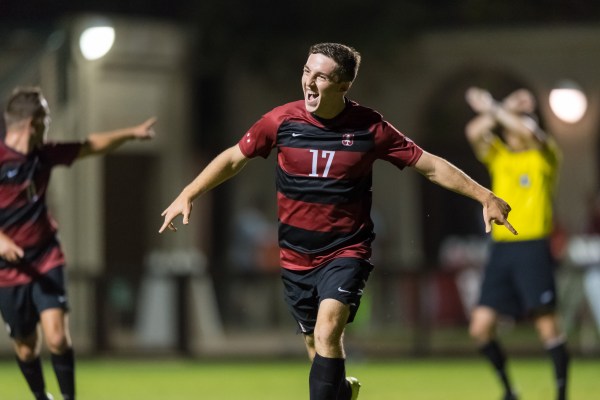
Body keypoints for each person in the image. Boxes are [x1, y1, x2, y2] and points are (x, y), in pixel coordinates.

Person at [159, 43, 516, 400]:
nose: (309, 82)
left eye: (321, 76)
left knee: (329, 329)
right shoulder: (281, 121)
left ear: (344, 86)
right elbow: (235, 158)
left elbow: (431, 165)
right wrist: (189, 192)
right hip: (295, 255)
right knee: (318, 349)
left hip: (346, 250)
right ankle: (342, 391)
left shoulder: (369, 127)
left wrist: (485, 195)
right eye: (306, 72)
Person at [0, 86, 156, 400]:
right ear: (34, 122)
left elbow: (89, 145)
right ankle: (41, 395)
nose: (49, 123)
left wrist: (130, 133)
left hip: (46, 254)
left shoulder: (43, 155)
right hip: (8, 268)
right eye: (46, 116)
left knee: (57, 337)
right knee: (26, 346)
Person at [465, 86, 569, 400]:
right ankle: (510, 391)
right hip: (502, 250)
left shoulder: (544, 155)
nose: (512, 131)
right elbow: (473, 131)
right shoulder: (500, 157)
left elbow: (527, 130)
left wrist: (495, 107)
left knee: (547, 327)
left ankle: (562, 394)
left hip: (534, 247)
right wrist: (506, 105)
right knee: (480, 328)